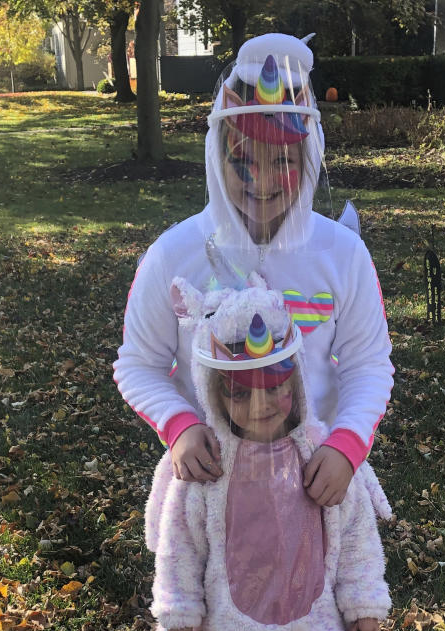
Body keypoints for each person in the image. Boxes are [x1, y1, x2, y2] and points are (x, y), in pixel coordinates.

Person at [114, 32, 393, 507]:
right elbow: (139, 364)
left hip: (313, 488)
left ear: (307, 159)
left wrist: (346, 446)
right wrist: (178, 425)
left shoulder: (343, 256)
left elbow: (368, 365)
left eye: (282, 160)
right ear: (215, 157)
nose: (260, 182)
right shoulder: (172, 255)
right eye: (241, 160)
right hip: (211, 496)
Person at [145, 277, 392, 631]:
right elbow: (180, 546)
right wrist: (179, 614)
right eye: (240, 394)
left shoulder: (319, 453)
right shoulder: (207, 465)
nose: (260, 405)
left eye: (275, 387)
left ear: (295, 382)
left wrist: (363, 604)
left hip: (320, 630)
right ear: (214, 393)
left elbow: (356, 534)